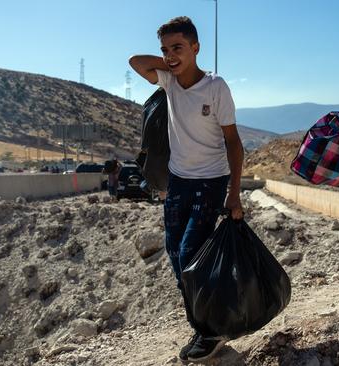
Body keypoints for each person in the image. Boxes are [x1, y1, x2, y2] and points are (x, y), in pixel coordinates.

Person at [129, 16, 244, 362]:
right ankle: (203, 326)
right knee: (175, 254)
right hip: (179, 180)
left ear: (196, 47)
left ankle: (212, 329)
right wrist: (168, 61)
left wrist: (233, 193)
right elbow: (136, 62)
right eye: (166, 49)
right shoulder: (169, 80)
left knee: (191, 252)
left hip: (211, 181)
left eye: (178, 48)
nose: (170, 55)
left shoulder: (216, 87)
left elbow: (234, 143)